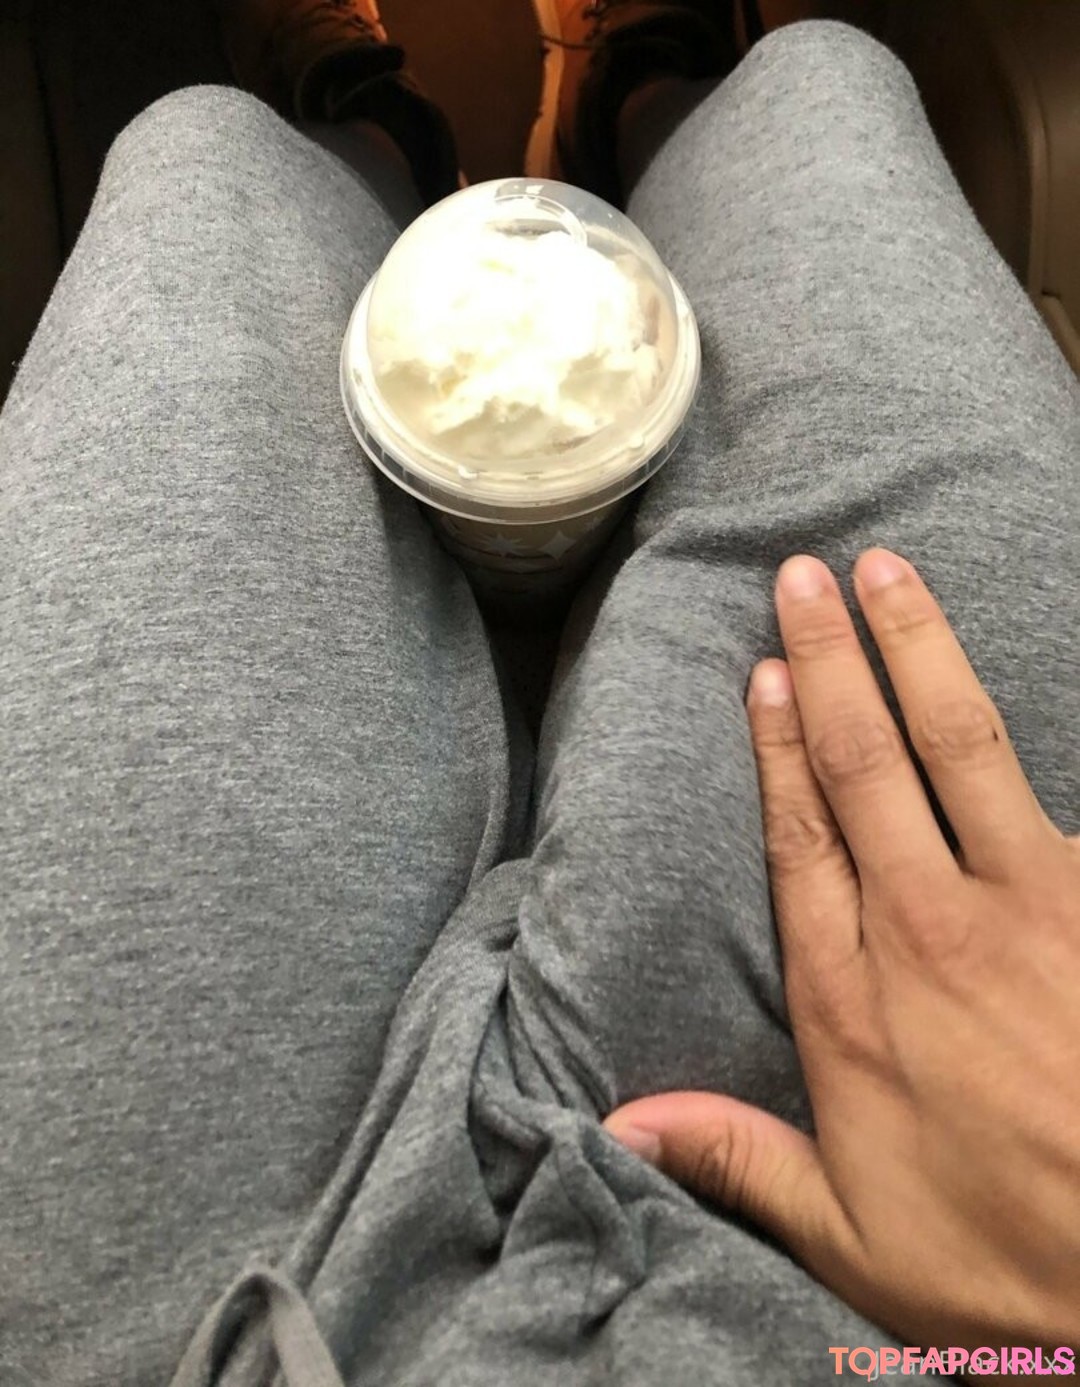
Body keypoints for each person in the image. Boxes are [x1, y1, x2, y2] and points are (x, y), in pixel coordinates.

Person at [0, 0, 1076, 1383]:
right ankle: (635, 89)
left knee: (200, 157)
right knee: (821, 83)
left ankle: (382, 124)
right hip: (920, 1242)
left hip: (199, 1336)